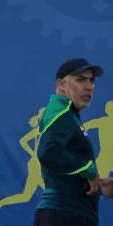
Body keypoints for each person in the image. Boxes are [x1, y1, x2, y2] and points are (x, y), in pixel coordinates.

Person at [34, 57, 113, 226]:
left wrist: (99, 184)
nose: (89, 86)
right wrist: (88, 169)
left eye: (91, 80)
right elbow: (48, 152)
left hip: (72, 213)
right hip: (64, 215)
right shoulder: (60, 112)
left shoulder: (68, 113)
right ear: (61, 84)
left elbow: (63, 168)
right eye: (80, 80)